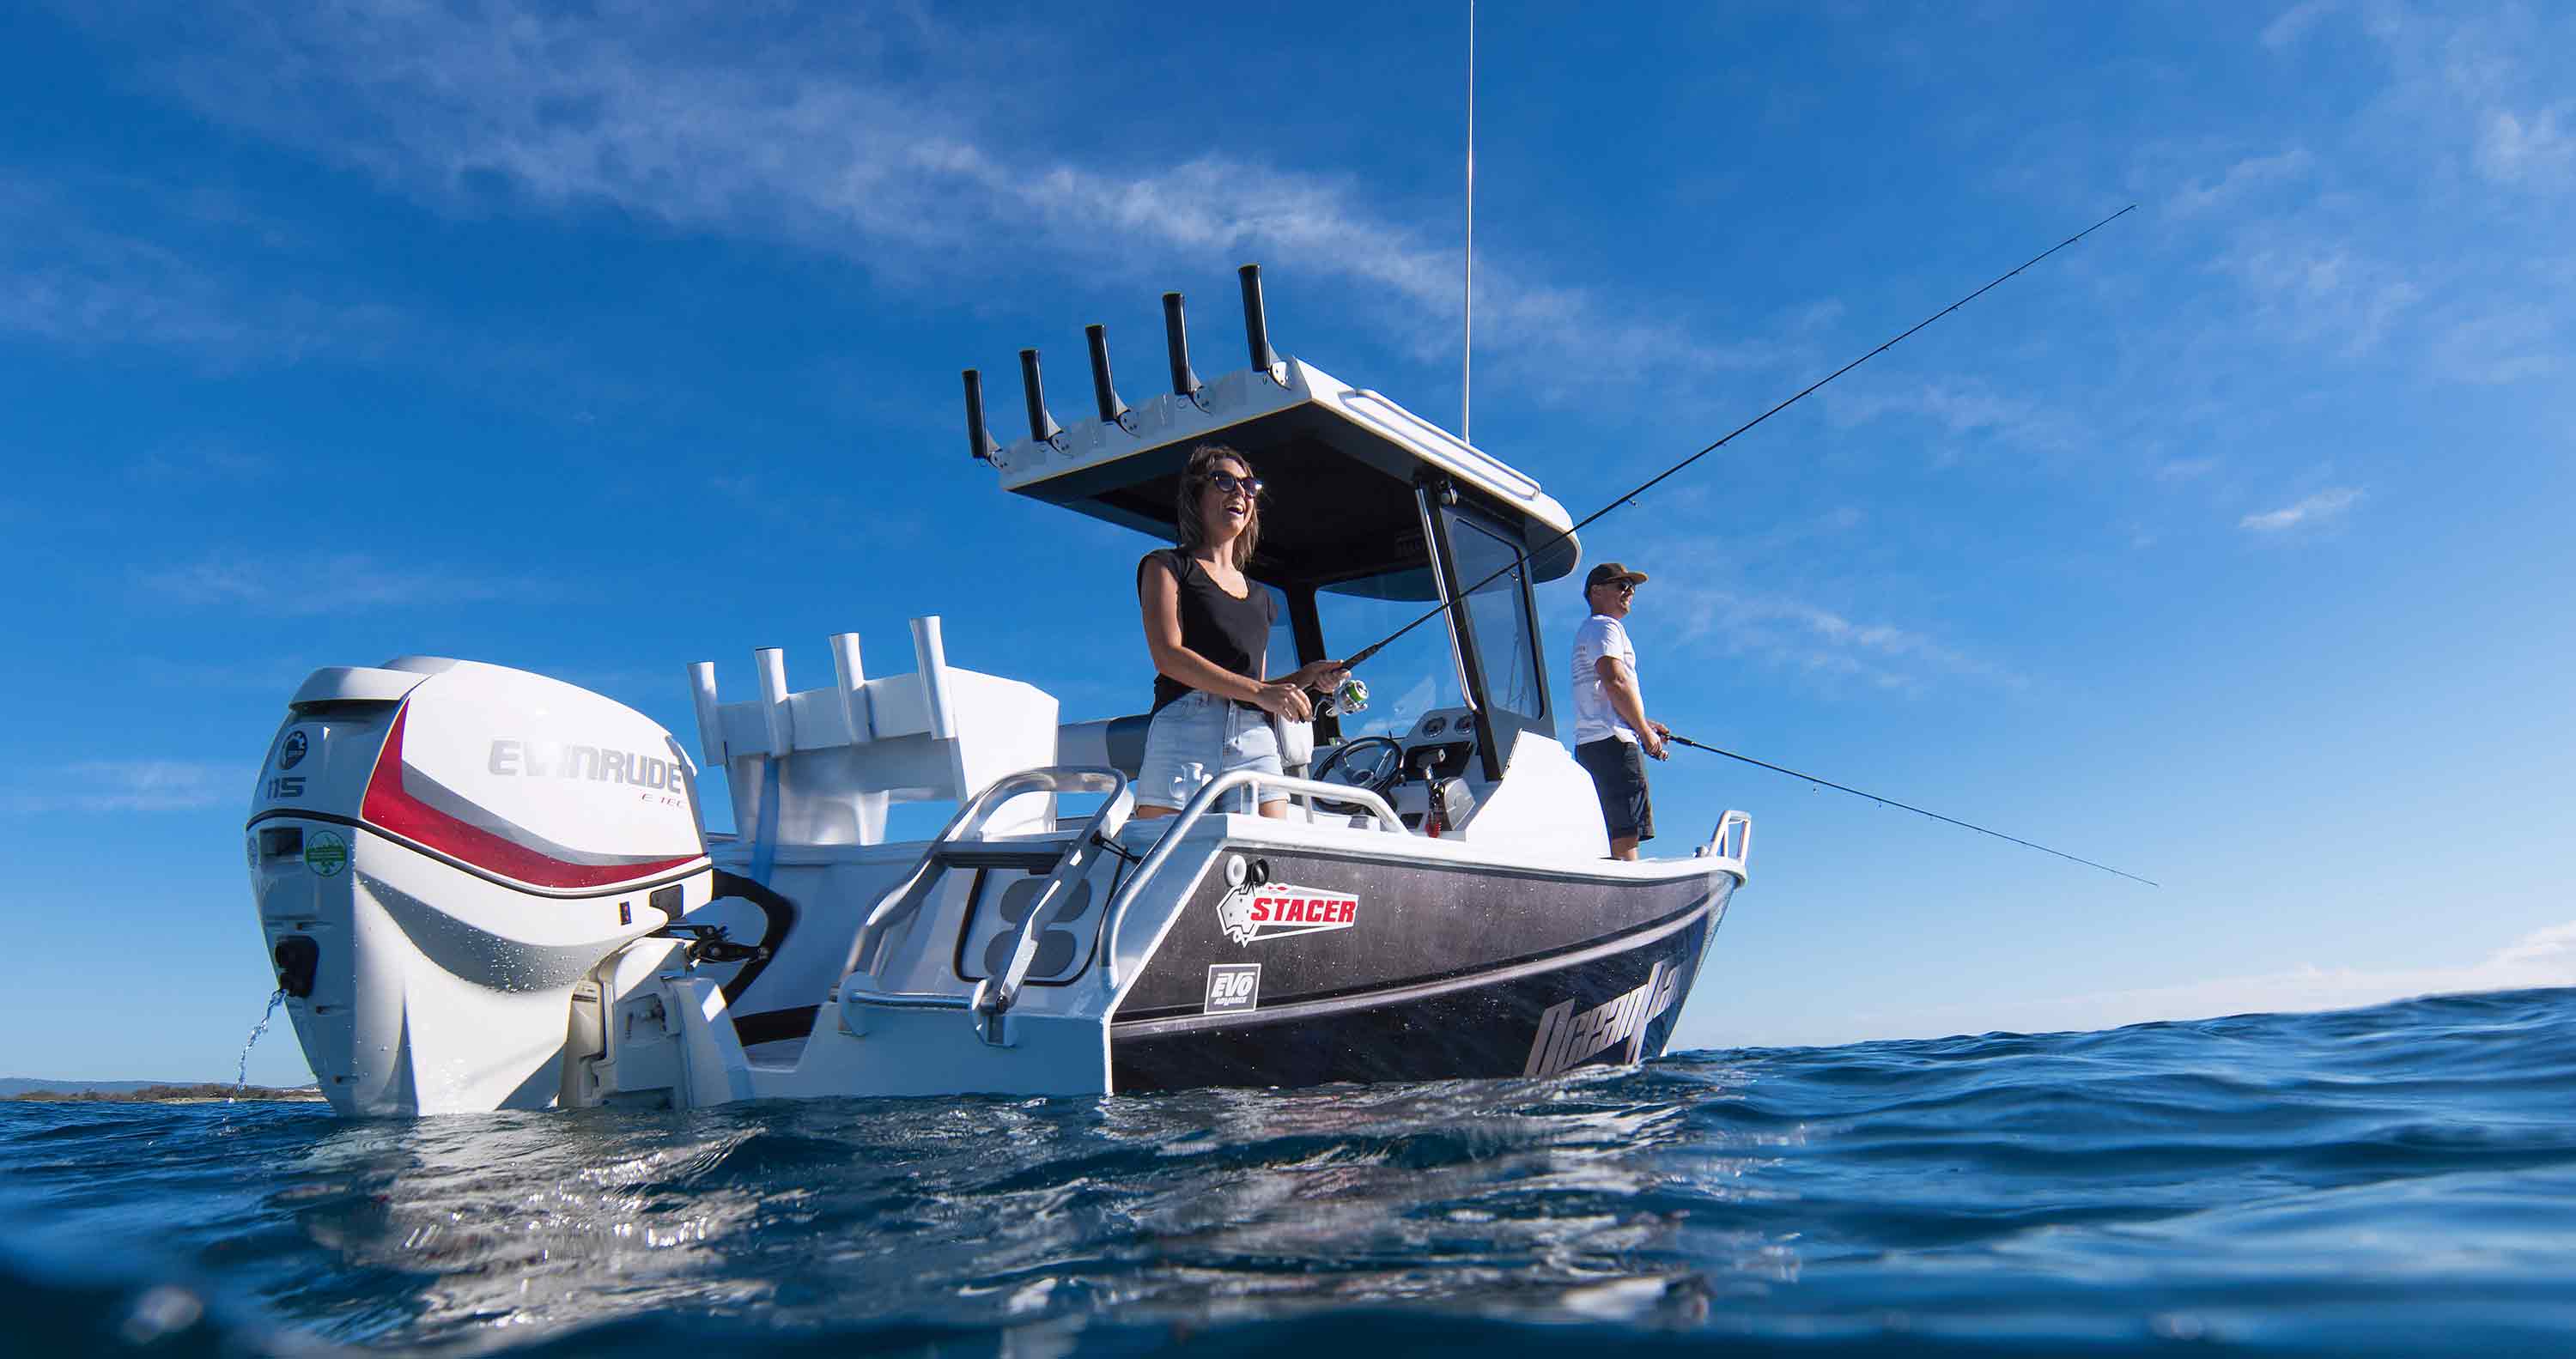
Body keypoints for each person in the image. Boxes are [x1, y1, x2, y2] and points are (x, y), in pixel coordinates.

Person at [1134, 443, 1346, 820]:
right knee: (1168, 856)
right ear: (1196, 494)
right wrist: (1261, 692)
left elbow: (1254, 687)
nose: (1240, 493)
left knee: (1267, 857)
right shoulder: (1166, 566)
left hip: (1253, 739)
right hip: (1184, 733)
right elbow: (1168, 656)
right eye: (1224, 481)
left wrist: (1305, 677)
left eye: (1248, 486)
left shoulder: (1262, 598)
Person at [1569, 561, 1668, 860]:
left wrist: (1644, 723)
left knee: (1609, 832)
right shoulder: (1606, 626)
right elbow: (1616, 680)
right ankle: (1629, 883)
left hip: (1592, 745)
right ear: (1596, 591)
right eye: (1622, 585)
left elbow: (1606, 691)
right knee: (1625, 832)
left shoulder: (1589, 630)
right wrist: (1644, 733)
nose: (1629, 592)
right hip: (1614, 744)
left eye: (1632, 588)